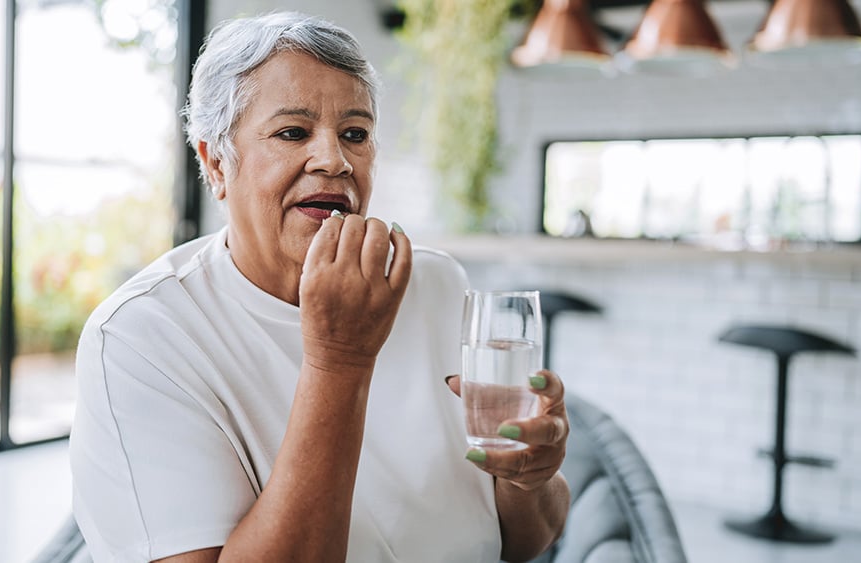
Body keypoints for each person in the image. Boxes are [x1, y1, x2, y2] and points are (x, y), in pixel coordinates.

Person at [69, 11, 570, 563]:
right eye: (292, 132)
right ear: (215, 162)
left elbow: (525, 541)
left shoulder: (437, 283)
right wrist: (340, 360)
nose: (335, 159)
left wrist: (530, 479)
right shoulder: (141, 337)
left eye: (355, 134)